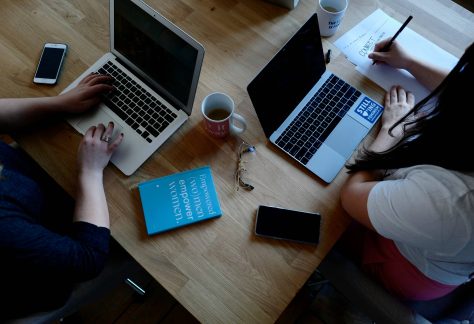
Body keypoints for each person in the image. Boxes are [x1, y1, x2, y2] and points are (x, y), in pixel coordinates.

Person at [339, 39, 474, 301]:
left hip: (405, 267)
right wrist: (409, 62)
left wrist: (392, 131)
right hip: (444, 248)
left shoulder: (452, 203)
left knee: (323, 217)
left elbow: (351, 195)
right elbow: (465, 91)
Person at [0, 73, 123, 318]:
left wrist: (59, 103)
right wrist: (90, 171)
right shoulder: (5, 228)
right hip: (47, 272)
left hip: (32, 189)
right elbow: (88, 258)